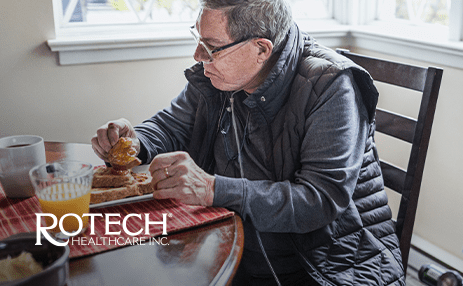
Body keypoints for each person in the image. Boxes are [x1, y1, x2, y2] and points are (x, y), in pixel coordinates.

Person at [90, 0, 405, 285]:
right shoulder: (219, 76)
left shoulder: (331, 86)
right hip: (234, 243)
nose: (198, 56)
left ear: (261, 49)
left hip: (324, 264)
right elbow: (171, 124)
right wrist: (136, 140)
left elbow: (320, 201)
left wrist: (213, 189)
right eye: (196, 38)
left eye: (211, 46)